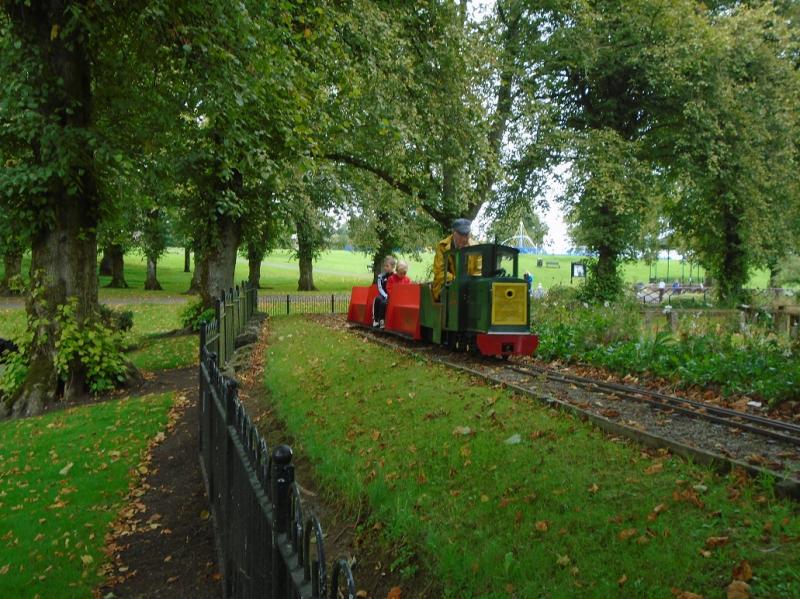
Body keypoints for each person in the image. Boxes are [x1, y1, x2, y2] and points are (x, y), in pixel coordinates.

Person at [432, 218, 481, 302]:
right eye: (461, 235)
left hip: (470, 287)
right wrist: (457, 280)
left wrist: (470, 283)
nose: (465, 239)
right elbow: (439, 272)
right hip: (447, 286)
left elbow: (479, 271)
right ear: (454, 233)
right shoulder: (442, 247)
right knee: (452, 296)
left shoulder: (477, 248)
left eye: (467, 235)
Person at [373, 255, 396, 328]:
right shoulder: (381, 276)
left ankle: (382, 320)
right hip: (383, 294)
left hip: (392, 295)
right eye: (384, 266)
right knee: (378, 299)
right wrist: (385, 295)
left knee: (384, 303)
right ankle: (376, 320)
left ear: (392, 267)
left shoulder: (395, 276)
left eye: (387, 266)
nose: (385, 268)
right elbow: (380, 288)